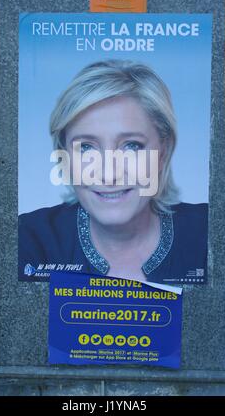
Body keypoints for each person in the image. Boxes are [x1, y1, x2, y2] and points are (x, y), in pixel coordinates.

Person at [19, 59, 208, 284]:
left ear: (163, 152)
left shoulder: (212, 231)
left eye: (132, 145)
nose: (109, 174)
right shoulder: (28, 238)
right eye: (86, 148)